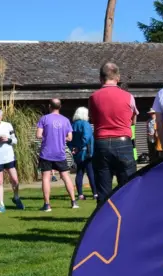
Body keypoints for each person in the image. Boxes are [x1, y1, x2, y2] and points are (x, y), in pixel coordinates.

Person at [88, 62, 138, 204]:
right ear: (118, 77)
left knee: (103, 191)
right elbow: (133, 120)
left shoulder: (93, 97)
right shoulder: (128, 96)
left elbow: (93, 119)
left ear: (100, 78)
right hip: (123, 142)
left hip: (101, 143)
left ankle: (105, 222)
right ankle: (129, 220)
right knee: (128, 187)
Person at [36, 98, 78, 211]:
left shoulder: (44, 119)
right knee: (66, 176)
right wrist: (60, 137)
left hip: (47, 153)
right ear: (60, 107)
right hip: (60, 153)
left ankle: (47, 205)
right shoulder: (66, 120)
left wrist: (48, 136)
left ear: (49, 106)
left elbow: (38, 135)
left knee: (46, 178)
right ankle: (74, 202)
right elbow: (70, 137)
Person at [68, 106, 98, 201]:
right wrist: (79, 147)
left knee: (79, 172)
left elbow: (69, 139)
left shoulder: (73, 125)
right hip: (87, 152)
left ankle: (80, 194)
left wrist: (73, 148)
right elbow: (86, 137)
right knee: (90, 172)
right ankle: (95, 193)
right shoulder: (85, 124)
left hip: (77, 153)